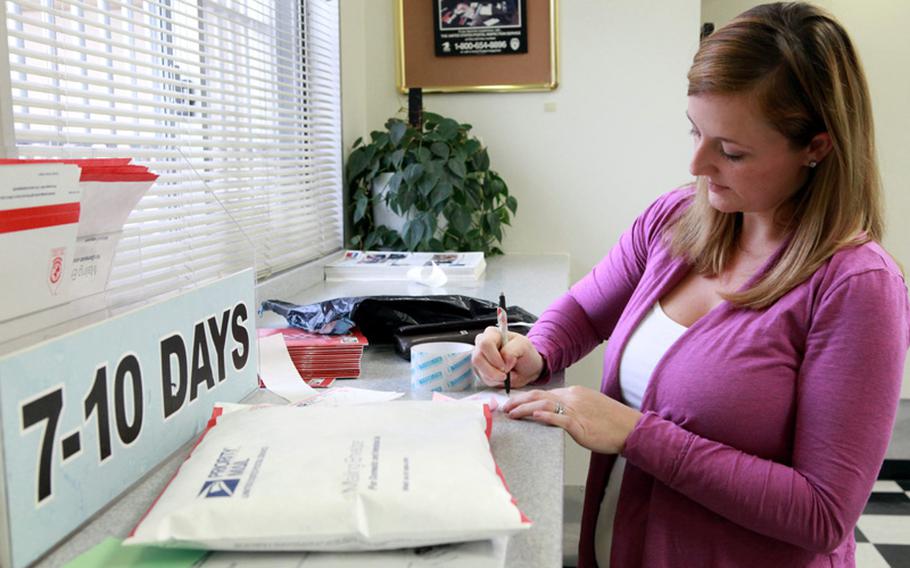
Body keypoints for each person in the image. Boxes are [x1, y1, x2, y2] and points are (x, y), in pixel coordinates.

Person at [472, 3, 910, 566]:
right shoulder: (676, 218)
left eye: (731, 151)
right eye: (695, 131)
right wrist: (534, 350)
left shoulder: (857, 288)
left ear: (816, 148)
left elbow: (822, 514)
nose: (698, 163)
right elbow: (585, 309)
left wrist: (636, 434)